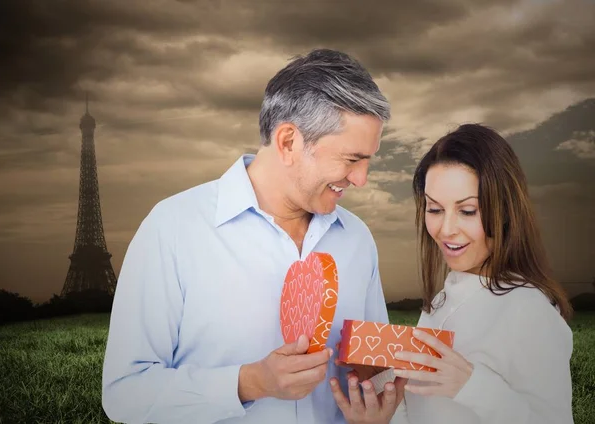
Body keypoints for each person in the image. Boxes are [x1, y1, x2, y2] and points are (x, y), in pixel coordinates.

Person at [101, 48, 405, 424]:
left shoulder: (357, 239)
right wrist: (249, 383)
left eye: (369, 160)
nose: (361, 179)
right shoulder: (173, 229)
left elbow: (375, 372)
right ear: (289, 141)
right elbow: (123, 393)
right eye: (351, 159)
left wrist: (385, 397)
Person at [333, 123, 574, 423]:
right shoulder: (442, 302)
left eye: (468, 211)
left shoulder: (530, 310)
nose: (446, 230)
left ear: (506, 210)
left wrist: (471, 385)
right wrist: (380, 388)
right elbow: (424, 410)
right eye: (434, 209)